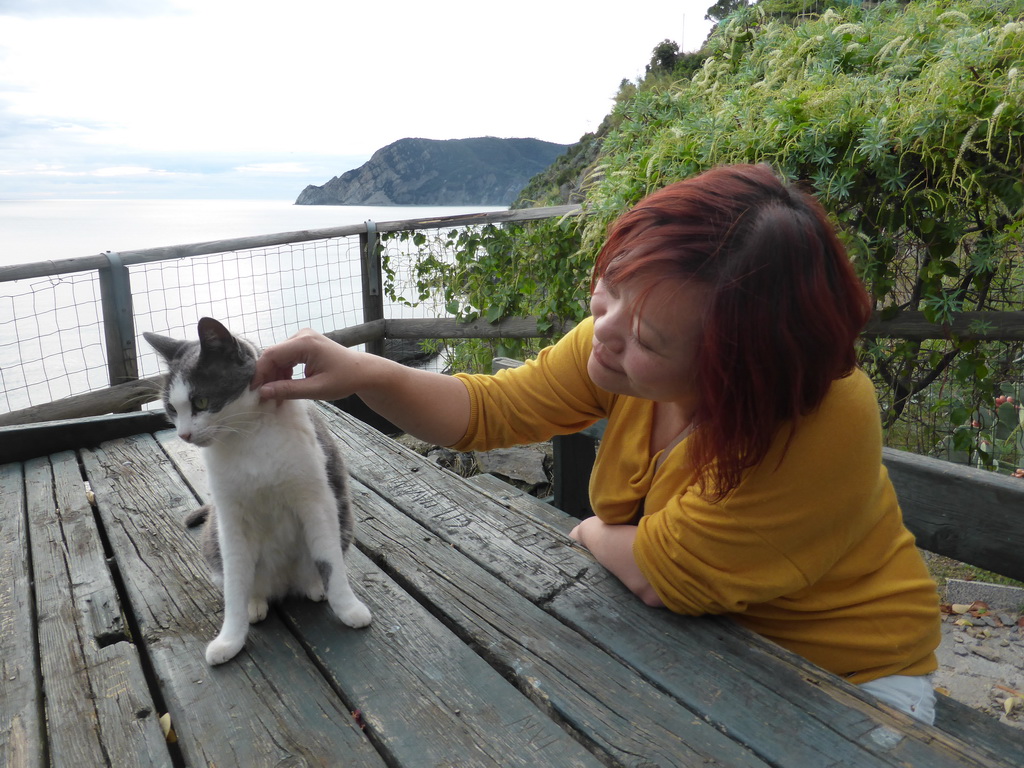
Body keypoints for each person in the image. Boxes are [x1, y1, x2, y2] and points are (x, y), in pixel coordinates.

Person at [251, 163, 942, 724]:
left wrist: (589, 532)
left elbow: (661, 575)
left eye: (646, 339)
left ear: (733, 368)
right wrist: (363, 370)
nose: (604, 329)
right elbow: (490, 409)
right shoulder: (624, 340)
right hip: (706, 651)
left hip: (846, 683)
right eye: (609, 288)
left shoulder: (819, 416)